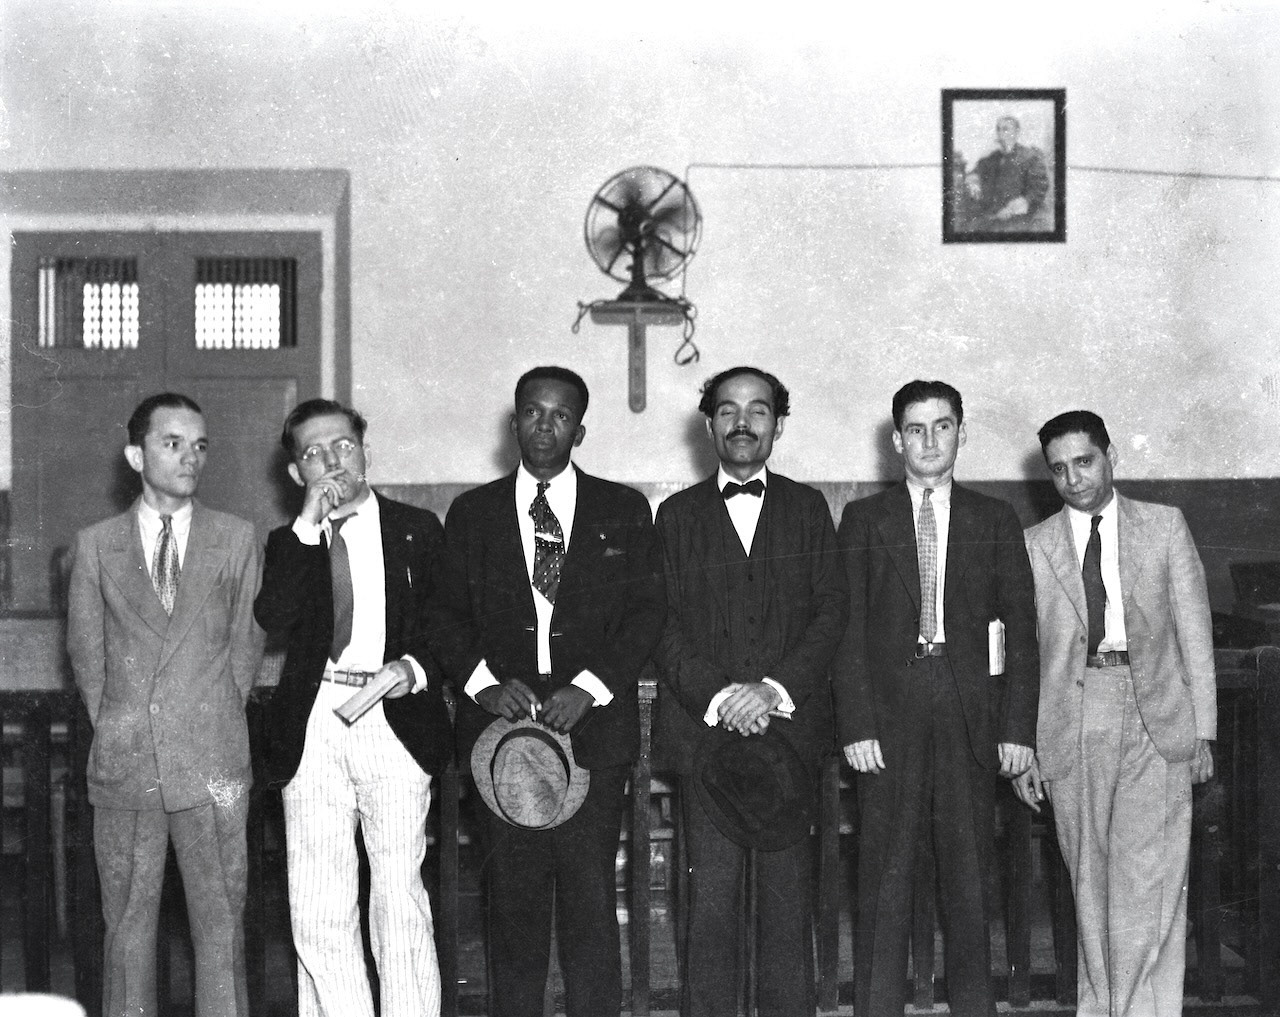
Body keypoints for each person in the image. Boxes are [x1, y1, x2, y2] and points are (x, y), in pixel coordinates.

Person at [425, 366, 665, 1017]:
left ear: (579, 430)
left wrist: (590, 687)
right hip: (501, 740)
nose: (544, 425)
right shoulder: (472, 513)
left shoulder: (623, 509)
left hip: (592, 733)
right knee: (513, 906)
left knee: (591, 902)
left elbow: (647, 612)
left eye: (560, 416)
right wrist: (482, 684)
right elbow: (443, 614)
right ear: (514, 422)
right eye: (533, 412)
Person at [833, 380, 1039, 1017]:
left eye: (942, 426)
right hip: (888, 714)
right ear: (897, 441)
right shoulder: (864, 519)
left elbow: (1022, 628)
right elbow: (848, 629)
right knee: (884, 874)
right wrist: (856, 724)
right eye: (915, 430)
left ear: (961, 434)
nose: (929, 441)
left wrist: (1017, 728)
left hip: (968, 708)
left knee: (970, 877)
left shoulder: (994, 518)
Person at [652, 366, 848, 1017]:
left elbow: (831, 613)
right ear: (708, 425)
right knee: (710, 906)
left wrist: (772, 689)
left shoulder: (809, 509)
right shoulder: (675, 516)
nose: (743, 423)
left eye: (758, 410)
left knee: (788, 908)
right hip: (704, 739)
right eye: (728, 410)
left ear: (778, 425)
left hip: (787, 736)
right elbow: (662, 621)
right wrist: (719, 696)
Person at [67, 392, 265, 1017]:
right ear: (136, 455)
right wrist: (128, 730)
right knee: (127, 932)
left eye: (199, 445)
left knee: (221, 927)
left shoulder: (236, 539)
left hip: (215, 766)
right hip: (128, 767)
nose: (190, 457)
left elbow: (245, 650)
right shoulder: (96, 546)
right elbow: (89, 662)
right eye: (172, 443)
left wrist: (205, 719)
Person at [253, 398, 451, 1017]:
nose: (333, 461)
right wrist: (307, 527)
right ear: (296, 473)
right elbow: (273, 615)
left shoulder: (417, 527)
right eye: (313, 454)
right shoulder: (290, 540)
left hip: (393, 716)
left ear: (366, 451)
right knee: (318, 902)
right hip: (315, 718)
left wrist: (414, 669)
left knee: (398, 896)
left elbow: (449, 624)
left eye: (343, 445)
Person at [1014, 411, 1216, 1017]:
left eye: (1085, 462)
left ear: (1111, 457)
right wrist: (1023, 745)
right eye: (1059, 469)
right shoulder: (1034, 544)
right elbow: (1026, 654)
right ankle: (1103, 1008)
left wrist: (1203, 731)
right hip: (1073, 719)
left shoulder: (1165, 526)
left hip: (1156, 714)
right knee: (1090, 882)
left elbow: (1196, 634)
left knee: (1148, 884)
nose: (1073, 479)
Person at [963, 114, 1051, 231]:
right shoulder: (992, 157)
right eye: (998, 129)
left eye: (1005, 129)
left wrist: (1013, 208)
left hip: (1018, 220)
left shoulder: (1030, 157)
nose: (1000, 133)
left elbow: (1038, 189)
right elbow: (975, 172)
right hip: (990, 217)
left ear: (1016, 132)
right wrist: (973, 182)